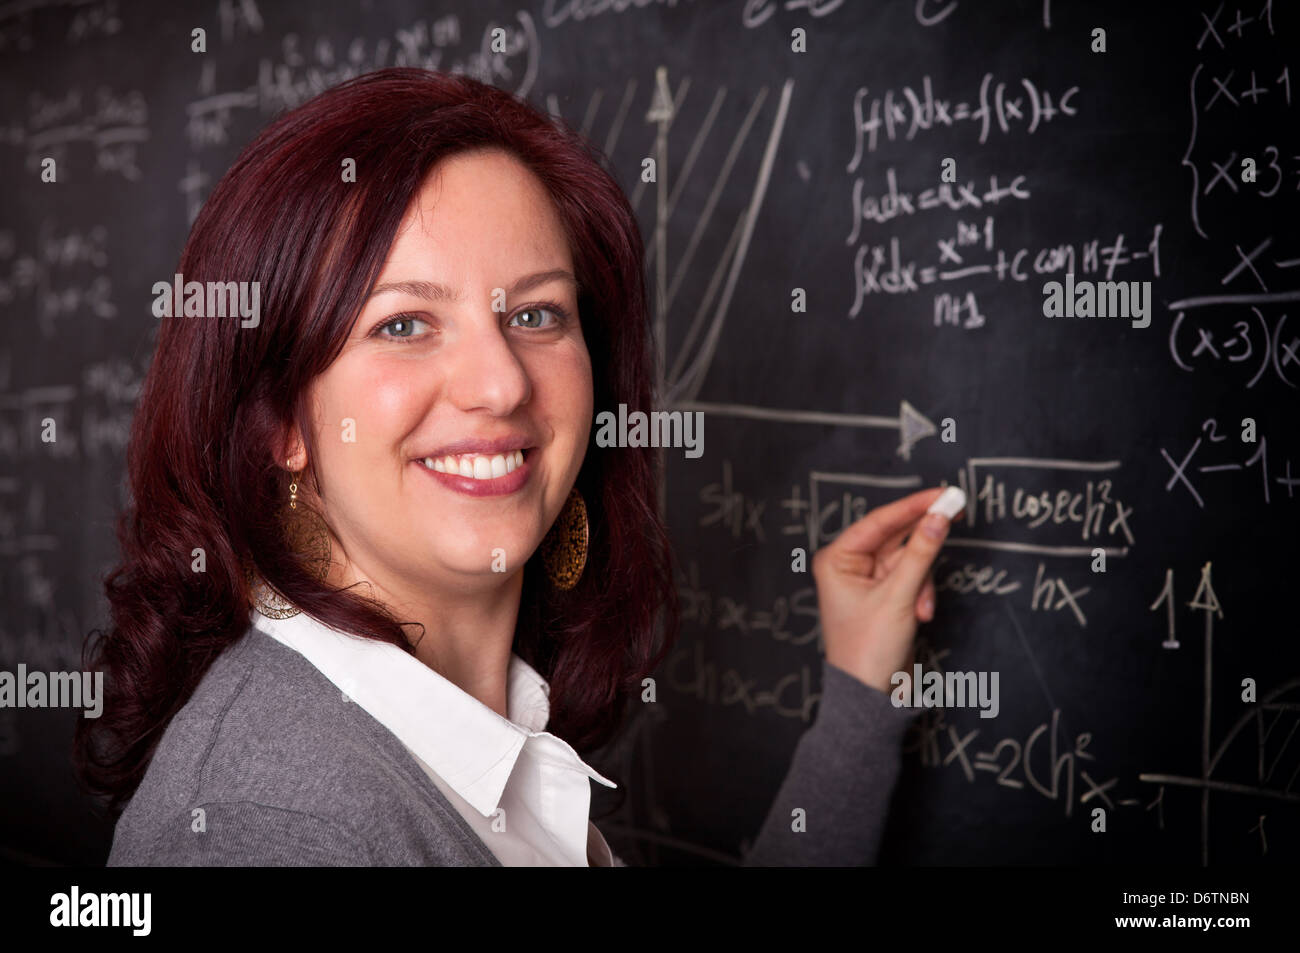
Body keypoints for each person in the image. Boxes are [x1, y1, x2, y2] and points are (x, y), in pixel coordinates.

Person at [74, 68, 955, 866]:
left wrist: (858, 697)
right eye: (403, 325)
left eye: (537, 316)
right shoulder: (268, 831)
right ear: (281, 423)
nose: (501, 385)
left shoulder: (472, 742)